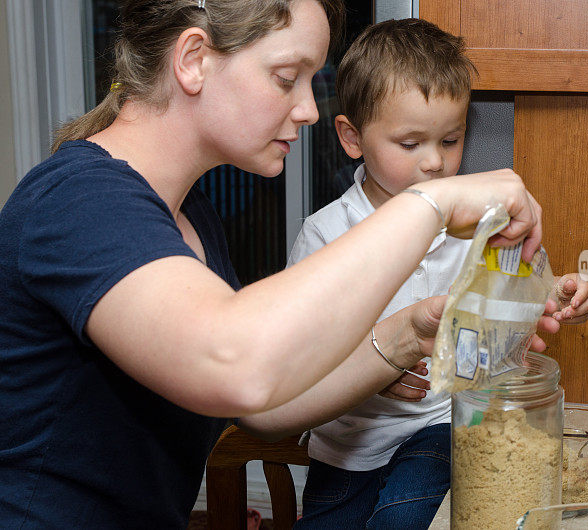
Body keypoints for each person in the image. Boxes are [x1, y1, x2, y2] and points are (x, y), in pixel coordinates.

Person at [0, 1, 554, 528]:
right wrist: (432, 203)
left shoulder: (187, 214)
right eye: (287, 77)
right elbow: (235, 364)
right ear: (194, 60)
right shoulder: (80, 200)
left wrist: (409, 334)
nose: (311, 109)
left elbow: (265, 409)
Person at [285, 18, 588, 530]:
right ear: (351, 137)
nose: (435, 162)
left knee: (400, 523)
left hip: (441, 426)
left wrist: (568, 294)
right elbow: (298, 359)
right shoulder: (325, 236)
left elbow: (534, 294)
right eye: (410, 144)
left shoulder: (485, 225)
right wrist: (370, 374)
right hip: (345, 447)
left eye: (450, 140)